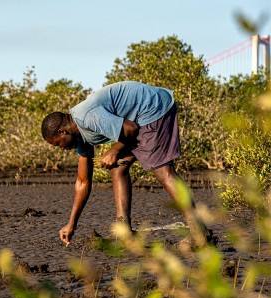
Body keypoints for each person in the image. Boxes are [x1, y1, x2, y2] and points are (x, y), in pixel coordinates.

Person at [41, 81, 211, 248]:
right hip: (139, 119)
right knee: (118, 168)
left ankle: (199, 233)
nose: (62, 148)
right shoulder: (79, 136)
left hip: (153, 109)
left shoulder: (88, 117)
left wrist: (113, 151)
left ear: (62, 131)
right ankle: (125, 233)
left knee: (163, 171)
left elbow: (131, 129)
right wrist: (71, 224)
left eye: (58, 144)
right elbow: (82, 182)